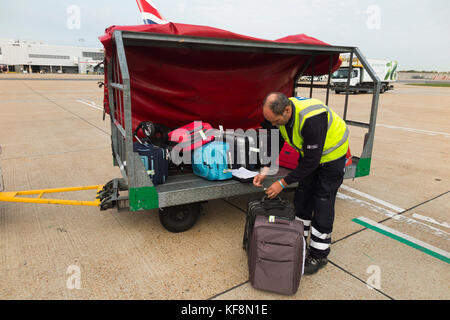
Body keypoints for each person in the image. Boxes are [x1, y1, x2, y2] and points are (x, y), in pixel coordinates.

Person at [253, 92, 349, 275]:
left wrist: (282, 183)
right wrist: (266, 168)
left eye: (275, 121)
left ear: (287, 110)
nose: (273, 124)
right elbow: (277, 141)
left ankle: (319, 255)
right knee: (303, 197)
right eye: (270, 121)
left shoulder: (311, 119)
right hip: (311, 157)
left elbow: (311, 163)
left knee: (322, 201)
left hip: (332, 156)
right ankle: (299, 241)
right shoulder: (280, 116)